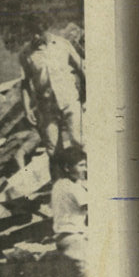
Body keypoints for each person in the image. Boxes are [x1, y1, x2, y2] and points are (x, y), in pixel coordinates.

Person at [19, 13, 85, 164]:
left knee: (79, 140)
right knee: (53, 150)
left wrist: (87, 97)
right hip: (46, 107)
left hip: (69, 101)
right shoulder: (26, 53)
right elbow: (25, 84)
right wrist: (27, 109)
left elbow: (82, 68)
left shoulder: (62, 45)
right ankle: (60, 184)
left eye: (38, 32)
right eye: (31, 32)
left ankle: (87, 181)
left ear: (46, 30)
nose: (35, 36)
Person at [50, 146, 87, 277]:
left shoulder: (58, 185)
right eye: (81, 165)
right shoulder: (72, 187)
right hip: (74, 238)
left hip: (64, 238)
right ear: (67, 167)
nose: (85, 169)